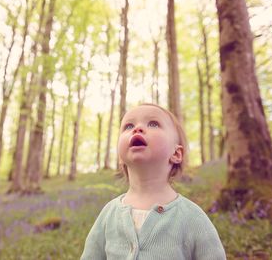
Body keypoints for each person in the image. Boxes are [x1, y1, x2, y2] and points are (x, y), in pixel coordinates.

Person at [81, 103, 226, 260]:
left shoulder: (193, 218)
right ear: (120, 158)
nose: (137, 128)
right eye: (128, 126)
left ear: (176, 153)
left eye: (153, 124)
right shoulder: (109, 214)